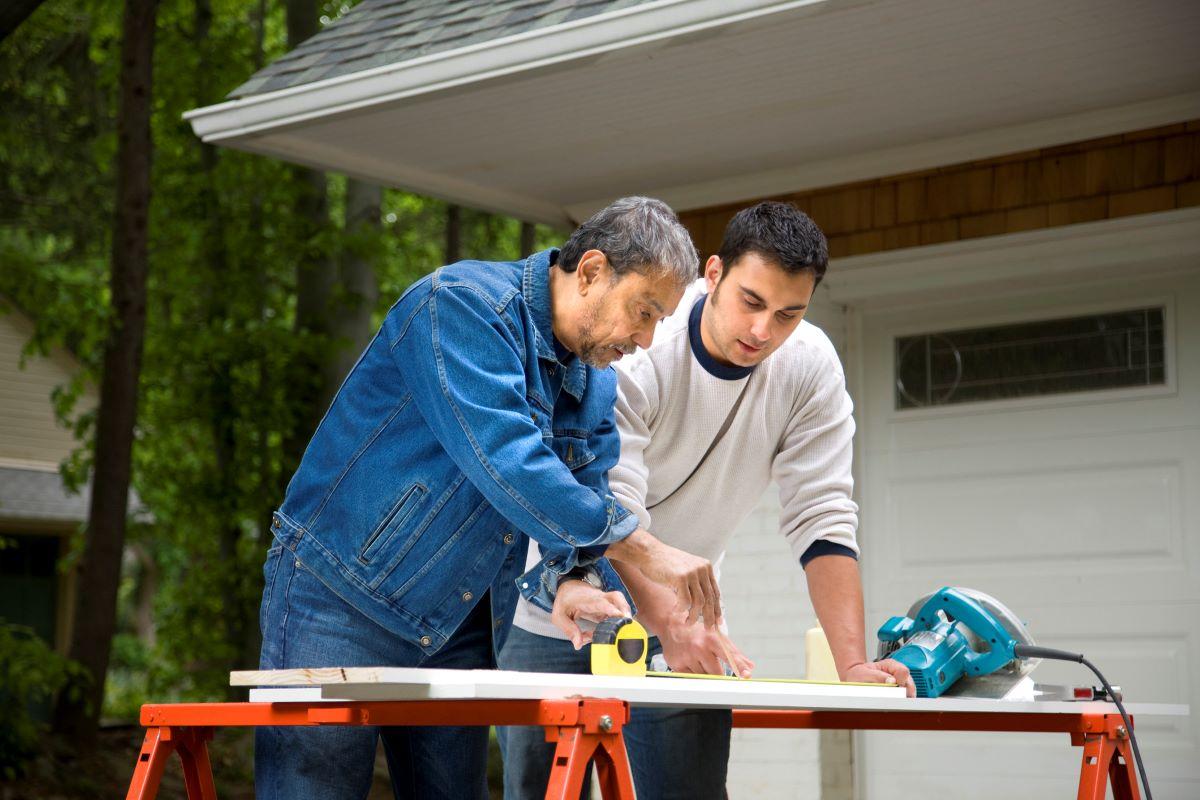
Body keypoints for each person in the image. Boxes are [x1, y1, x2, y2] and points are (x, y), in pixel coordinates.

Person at [255, 196, 724, 800]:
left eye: (661, 320)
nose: (648, 337)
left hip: (455, 617)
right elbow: (507, 460)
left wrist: (576, 576)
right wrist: (646, 551)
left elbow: (584, 490)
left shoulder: (594, 381)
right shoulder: (459, 307)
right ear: (590, 272)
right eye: (644, 311)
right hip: (339, 595)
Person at [499, 201, 916, 799]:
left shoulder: (809, 366)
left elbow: (823, 515)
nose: (762, 331)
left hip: (684, 623)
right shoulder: (638, 344)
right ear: (714, 274)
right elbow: (607, 507)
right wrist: (669, 620)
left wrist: (852, 664)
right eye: (752, 301)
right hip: (558, 606)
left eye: (788, 314)